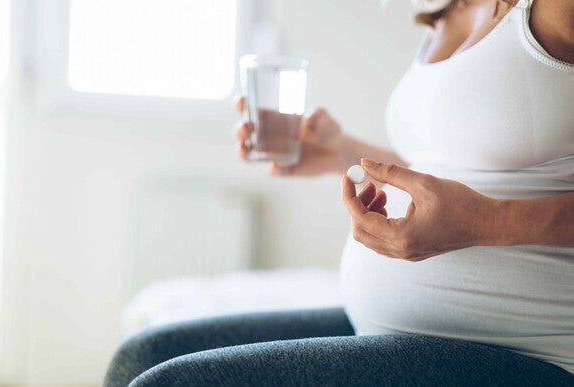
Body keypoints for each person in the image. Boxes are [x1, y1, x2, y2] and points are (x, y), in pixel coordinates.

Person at [104, 0, 574, 385]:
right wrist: (340, 153)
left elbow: (485, 194)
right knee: (145, 353)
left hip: (531, 351)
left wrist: (484, 223)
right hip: (407, 331)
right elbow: (458, 165)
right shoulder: (446, 10)